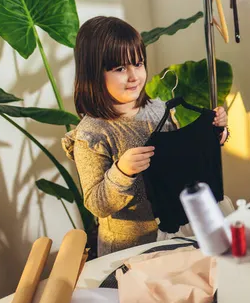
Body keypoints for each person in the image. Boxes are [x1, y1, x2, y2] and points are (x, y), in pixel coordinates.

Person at [62, 16, 228, 257]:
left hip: (177, 234)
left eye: (138, 64)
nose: (133, 76)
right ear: (93, 74)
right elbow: (97, 204)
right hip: (130, 249)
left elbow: (182, 159)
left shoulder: (158, 109)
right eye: (120, 68)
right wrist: (122, 172)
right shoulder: (92, 134)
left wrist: (215, 133)